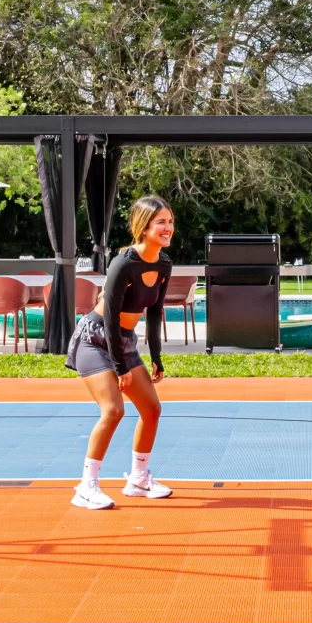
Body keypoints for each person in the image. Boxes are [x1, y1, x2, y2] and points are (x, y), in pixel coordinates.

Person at [63, 194, 176, 509]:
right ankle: (87, 486)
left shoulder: (165, 264)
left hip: (124, 340)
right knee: (113, 410)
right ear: (144, 227)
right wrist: (120, 367)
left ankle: (139, 479)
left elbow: (154, 313)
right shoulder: (124, 263)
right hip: (95, 338)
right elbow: (110, 317)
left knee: (152, 409)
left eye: (170, 222)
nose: (168, 228)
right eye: (161, 222)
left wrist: (156, 357)